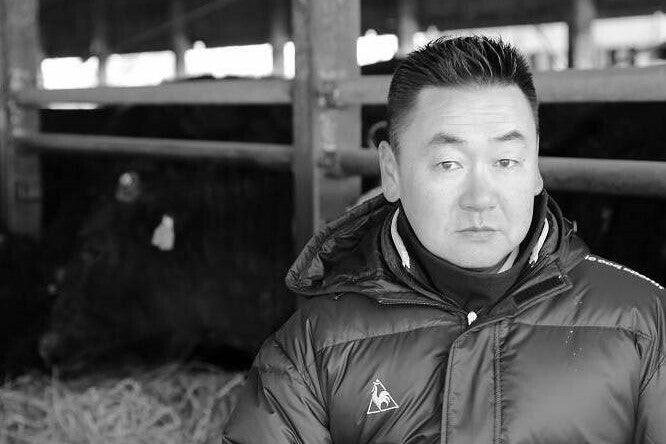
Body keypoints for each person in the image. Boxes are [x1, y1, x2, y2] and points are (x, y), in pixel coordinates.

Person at [223, 35, 665, 443]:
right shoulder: (311, 350)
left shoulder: (645, 323)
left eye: (506, 160)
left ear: (535, 168)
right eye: (449, 163)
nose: (481, 199)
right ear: (391, 172)